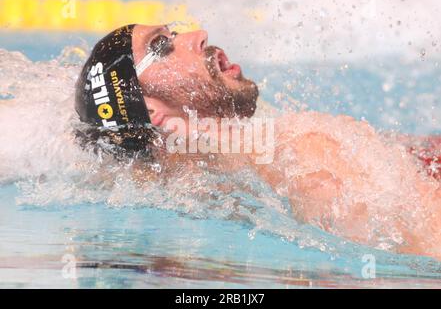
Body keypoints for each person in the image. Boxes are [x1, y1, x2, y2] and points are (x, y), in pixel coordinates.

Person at [75, 24, 441, 260]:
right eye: (161, 46)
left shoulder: (304, 152)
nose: (198, 34)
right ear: (151, 111)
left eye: (171, 34)